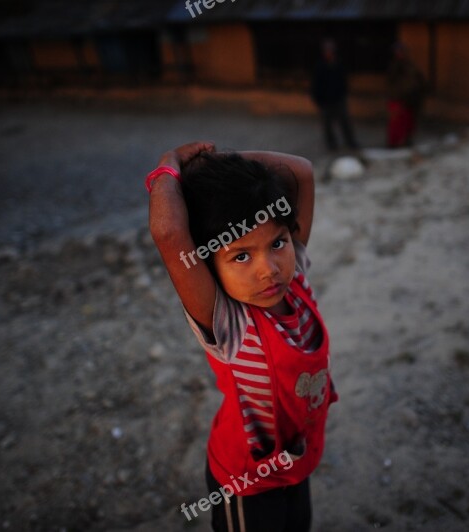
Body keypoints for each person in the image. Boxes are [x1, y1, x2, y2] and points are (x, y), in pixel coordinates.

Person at [147, 141, 338, 531]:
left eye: (277, 243)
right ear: (206, 264)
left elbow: (299, 169)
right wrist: (172, 165)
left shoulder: (295, 276)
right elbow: (168, 232)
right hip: (247, 483)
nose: (269, 269)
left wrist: (220, 165)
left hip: (295, 465)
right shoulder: (228, 322)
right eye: (241, 256)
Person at [310, 40, 359, 151]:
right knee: (327, 125)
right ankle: (332, 144)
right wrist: (318, 99)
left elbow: (343, 80)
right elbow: (316, 84)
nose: (328, 53)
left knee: (345, 121)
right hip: (325, 101)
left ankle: (351, 142)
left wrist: (343, 93)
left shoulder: (339, 64)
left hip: (338, 99)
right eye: (326, 51)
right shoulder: (320, 66)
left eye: (330, 51)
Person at [386, 43, 427, 148]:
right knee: (396, 122)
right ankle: (394, 143)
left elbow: (419, 78)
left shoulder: (410, 65)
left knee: (408, 122)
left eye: (402, 52)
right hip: (398, 98)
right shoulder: (394, 66)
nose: (400, 54)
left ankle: (406, 140)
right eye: (398, 52)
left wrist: (421, 90)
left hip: (411, 98)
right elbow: (392, 81)